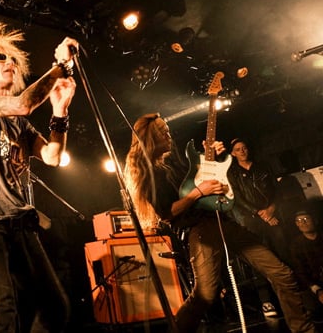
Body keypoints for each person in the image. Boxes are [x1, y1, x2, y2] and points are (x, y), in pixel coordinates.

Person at [123, 113, 315, 333]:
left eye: (167, 131)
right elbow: (167, 213)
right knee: (205, 296)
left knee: (283, 274)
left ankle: (304, 329)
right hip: (200, 231)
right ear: (150, 137)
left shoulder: (172, 163)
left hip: (221, 221)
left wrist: (210, 158)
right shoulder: (149, 172)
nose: (169, 135)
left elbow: (199, 179)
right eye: (163, 132)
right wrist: (198, 193)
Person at [0, 22, 77, 332]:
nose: (9, 62)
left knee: (54, 309)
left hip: (19, 221)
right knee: (0, 313)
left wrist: (60, 112)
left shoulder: (18, 124)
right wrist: (60, 67)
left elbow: (53, 156)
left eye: (13, 59)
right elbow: (24, 104)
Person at [227, 137, 288, 317]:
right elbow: (237, 197)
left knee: (281, 253)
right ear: (233, 153)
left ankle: (290, 295)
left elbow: (277, 190)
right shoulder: (232, 173)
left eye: (244, 147)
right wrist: (260, 213)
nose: (242, 151)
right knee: (259, 259)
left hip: (272, 216)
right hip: (251, 220)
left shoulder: (262, 166)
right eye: (238, 149)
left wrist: (271, 209)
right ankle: (266, 301)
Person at [289, 208, 323, 321]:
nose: (303, 223)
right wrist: (317, 290)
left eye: (305, 219)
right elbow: (300, 270)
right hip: (313, 285)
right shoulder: (296, 245)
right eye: (299, 220)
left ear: (314, 220)